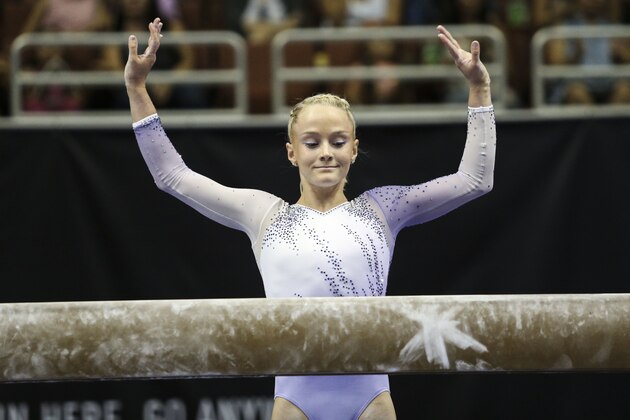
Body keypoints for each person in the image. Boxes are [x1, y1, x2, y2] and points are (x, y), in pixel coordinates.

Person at [125, 17, 495, 420]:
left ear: (354, 149)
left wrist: (479, 88)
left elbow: (474, 179)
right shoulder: (263, 214)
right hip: (295, 401)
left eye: (338, 142)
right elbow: (172, 176)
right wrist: (137, 88)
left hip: (370, 399)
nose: (325, 153)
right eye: (312, 142)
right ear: (291, 152)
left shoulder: (381, 211)